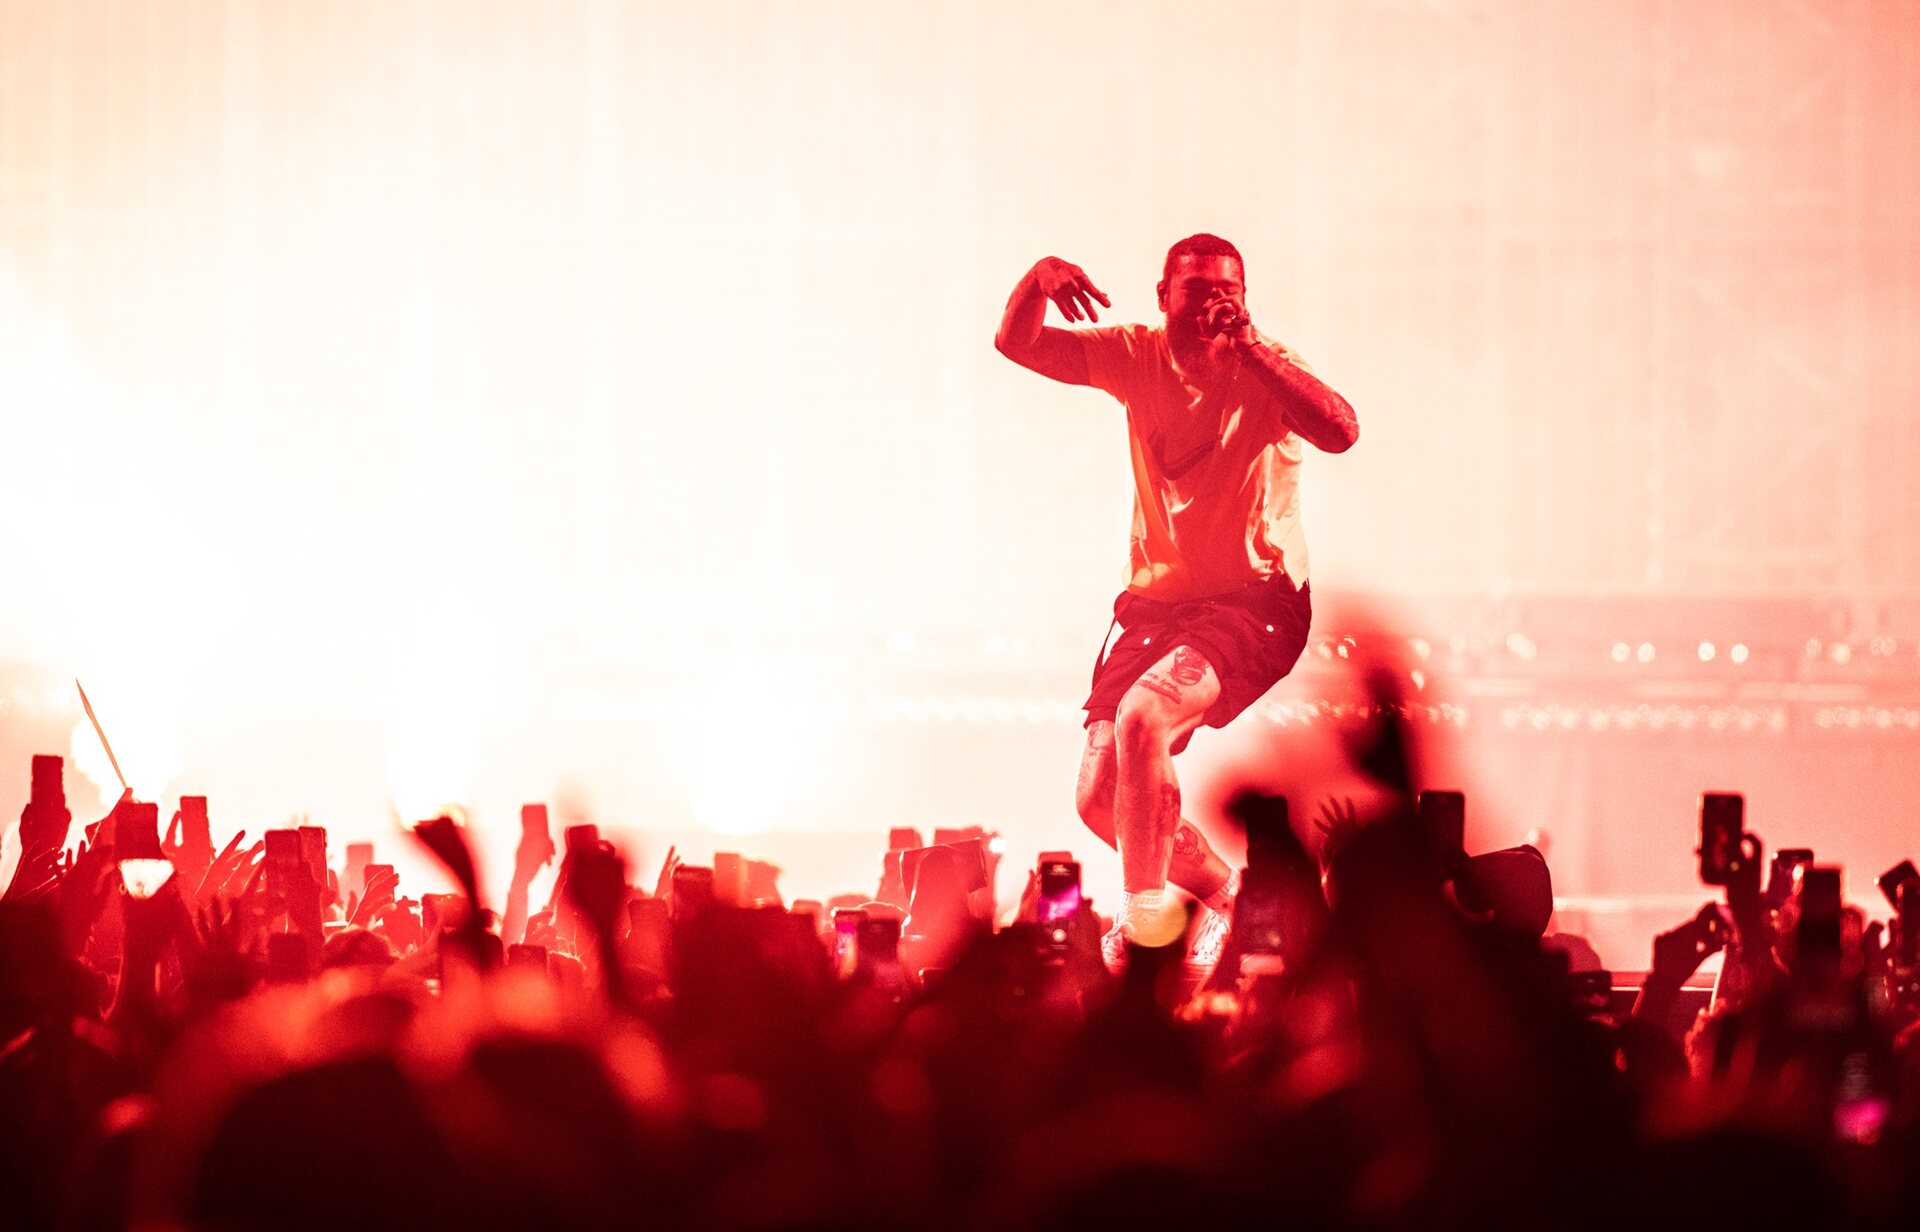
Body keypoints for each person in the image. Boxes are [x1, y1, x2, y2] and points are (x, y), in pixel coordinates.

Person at [994, 234, 1358, 971]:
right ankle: (1233, 899)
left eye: (1229, 290)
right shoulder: (1135, 354)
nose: (1214, 303)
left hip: (1256, 598)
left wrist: (1251, 351)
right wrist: (1037, 280)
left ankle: (1142, 932)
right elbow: (1017, 344)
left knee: (1144, 716)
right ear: (1164, 297)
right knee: (1098, 800)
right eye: (1197, 291)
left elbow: (1341, 432)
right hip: (1156, 604)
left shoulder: (1269, 365)